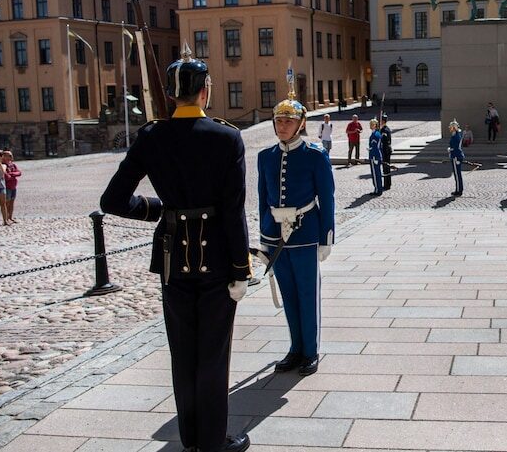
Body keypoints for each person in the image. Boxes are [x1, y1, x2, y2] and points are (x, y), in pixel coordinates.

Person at [100, 48, 251, 452]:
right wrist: (241, 268)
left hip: (172, 260)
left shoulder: (152, 136)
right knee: (214, 355)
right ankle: (214, 439)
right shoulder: (226, 137)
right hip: (218, 260)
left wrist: (158, 210)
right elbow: (233, 211)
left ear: (172, 95)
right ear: (205, 92)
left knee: (183, 352)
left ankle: (190, 439)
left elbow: (113, 200)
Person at [258, 86, 335, 378]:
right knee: (289, 295)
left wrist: (327, 237)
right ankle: (295, 348)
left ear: (301, 123)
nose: (282, 125)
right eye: (278, 120)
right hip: (276, 236)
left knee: (307, 294)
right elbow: (263, 198)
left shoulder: (315, 156)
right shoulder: (265, 157)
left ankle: (311, 351)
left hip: (305, 234)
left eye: (288, 121)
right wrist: (264, 239)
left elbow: (326, 198)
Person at [2, 151, 22, 223]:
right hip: (7, 187)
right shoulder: (2, 165)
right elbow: (6, 177)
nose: (11, 157)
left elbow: (19, 173)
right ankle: (6, 218)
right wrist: (13, 175)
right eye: (9, 155)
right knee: (7, 203)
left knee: (12, 202)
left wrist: (12, 174)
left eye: (11, 155)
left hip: (13, 186)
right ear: (4, 156)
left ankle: (10, 217)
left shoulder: (12, 165)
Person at [448, 119, 465, 196]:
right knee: (457, 174)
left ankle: (459, 190)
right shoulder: (456, 134)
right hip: (456, 155)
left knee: (457, 175)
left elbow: (456, 147)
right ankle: (458, 189)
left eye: (451, 127)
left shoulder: (456, 136)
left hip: (456, 156)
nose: (450, 128)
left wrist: (450, 150)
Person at [367, 118, 384, 195]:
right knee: (376, 173)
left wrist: (374, 156)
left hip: (375, 156)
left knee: (376, 174)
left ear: (375, 125)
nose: (371, 125)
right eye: (370, 124)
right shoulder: (375, 133)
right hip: (374, 156)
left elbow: (376, 147)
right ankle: (377, 188)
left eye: (372, 124)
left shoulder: (376, 135)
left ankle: (378, 189)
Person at [380, 114, 393, 190]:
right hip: (386, 150)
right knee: (386, 167)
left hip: (385, 150)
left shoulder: (384, 130)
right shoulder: (385, 129)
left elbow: (384, 141)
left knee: (386, 167)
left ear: (383, 121)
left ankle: (387, 185)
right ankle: (387, 183)